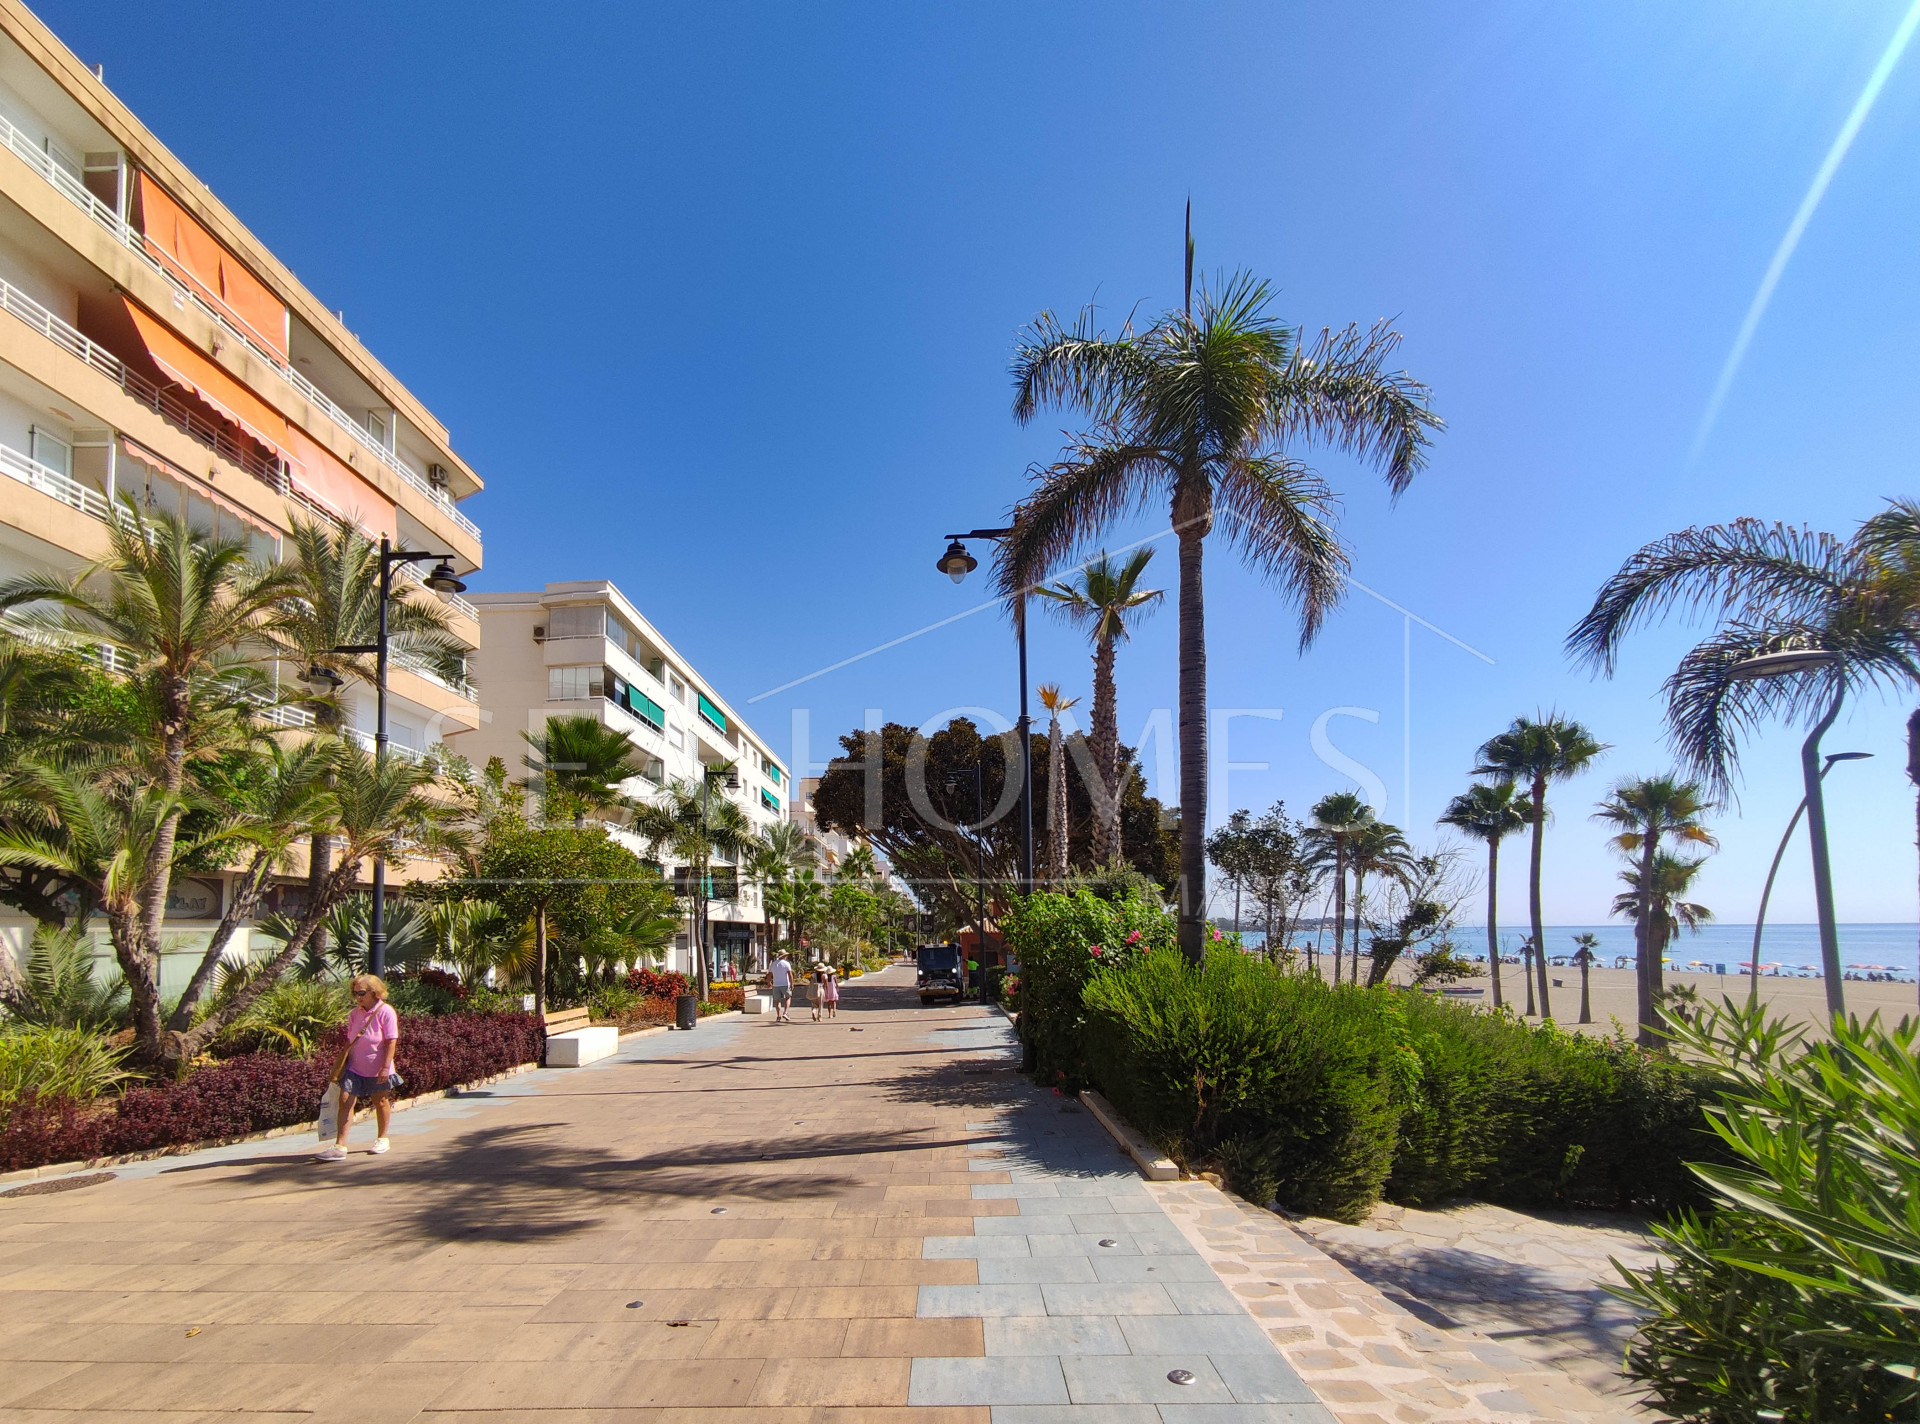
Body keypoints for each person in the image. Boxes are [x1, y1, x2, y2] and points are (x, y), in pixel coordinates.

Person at [316, 974, 401, 1162]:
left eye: (361, 993)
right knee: (345, 1100)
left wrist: (385, 1068)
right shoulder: (355, 1014)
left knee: (380, 1101)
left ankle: (382, 1138)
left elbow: (391, 1041)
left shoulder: (386, 1011)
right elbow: (350, 1040)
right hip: (354, 1066)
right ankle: (340, 1145)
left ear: (374, 992)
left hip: (377, 1066)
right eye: (355, 993)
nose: (358, 997)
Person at [770, 949, 794, 1023]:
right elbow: (790, 974)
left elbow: (769, 974)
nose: (786, 956)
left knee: (777, 1001)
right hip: (785, 984)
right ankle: (785, 1012)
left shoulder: (773, 964)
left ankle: (778, 1016)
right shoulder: (786, 964)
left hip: (776, 984)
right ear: (784, 956)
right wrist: (792, 983)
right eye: (786, 955)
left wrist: (769, 982)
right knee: (788, 998)